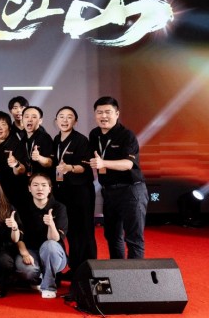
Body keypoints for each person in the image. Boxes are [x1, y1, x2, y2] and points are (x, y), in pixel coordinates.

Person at [89, 96, 148, 259]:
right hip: (108, 192)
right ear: (95, 114)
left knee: (134, 238)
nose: (103, 116)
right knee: (112, 236)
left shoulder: (126, 135)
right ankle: (118, 271)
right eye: (99, 112)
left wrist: (103, 163)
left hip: (131, 190)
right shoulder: (94, 134)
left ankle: (135, 274)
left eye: (108, 112)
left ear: (117, 114)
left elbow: (128, 164)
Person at [51, 106, 96, 275]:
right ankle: (75, 267)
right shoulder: (56, 140)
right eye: (61, 116)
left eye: (69, 117)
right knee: (70, 231)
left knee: (83, 230)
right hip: (63, 191)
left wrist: (69, 168)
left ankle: (88, 270)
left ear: (75, 121)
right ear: (56, 121)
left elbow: (85, 167)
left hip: (80, 191)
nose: (65, 120)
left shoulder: (81, 140)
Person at [16, 173, 68, 299]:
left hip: (54, 254)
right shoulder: (23, 208)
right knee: (26, 270)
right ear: (29, 188)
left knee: (49, 245)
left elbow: (55, 239)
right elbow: (19, 237)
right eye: (35, 185)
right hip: (31, 251)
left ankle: (49, 286)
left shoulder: (59, 208)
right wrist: (25, 254)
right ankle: (38, 278)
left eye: (44, 185)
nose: (40, 189)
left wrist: (51, 224)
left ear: (49, 189)